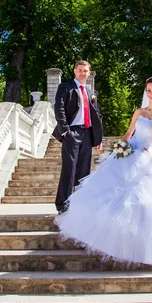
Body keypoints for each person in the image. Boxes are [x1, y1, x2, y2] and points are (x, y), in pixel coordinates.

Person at [55, 76, 152, 269]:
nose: (151, 93)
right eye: (148, 90)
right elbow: (129, 133)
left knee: (144, 202)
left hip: (148, 155)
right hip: (129, 152)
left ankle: (144, 247)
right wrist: (119, 150)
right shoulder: (139, 111)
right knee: (112, 195)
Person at [53, 60, 103, 214]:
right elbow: (59, 107)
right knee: (69, 168)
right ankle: (63, 204)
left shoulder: (90, 92)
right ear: (75, 71)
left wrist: (98, 138)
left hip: (87, 134)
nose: (82, 73)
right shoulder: (66, 87)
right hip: (72, 132)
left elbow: (96, 115)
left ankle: (80, 202)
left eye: (85, 71)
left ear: (89, 73)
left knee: (84, 170)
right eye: (80, 70)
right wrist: (65, 130)